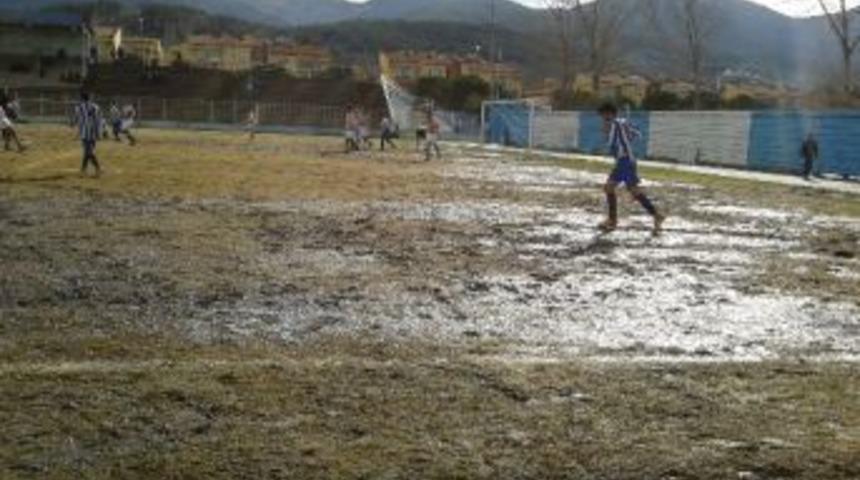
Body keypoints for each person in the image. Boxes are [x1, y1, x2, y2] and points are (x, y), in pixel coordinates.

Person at [597, 102, 665, 236]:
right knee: (624, 189)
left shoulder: (613, 125)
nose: (602, 118)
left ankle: (613, 220)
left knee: (616, 188)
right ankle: (656, 215)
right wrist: (625, 140)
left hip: (625, 161)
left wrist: (609, 134)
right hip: (626, 161)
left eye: (603, 115)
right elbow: (637, 134)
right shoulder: (622, 123)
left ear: (609, 114)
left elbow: (610, 142)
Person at [74, 92, 104, 177]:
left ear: (82, 99)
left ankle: (97, 168)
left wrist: (77, 130)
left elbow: (77, 119)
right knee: (87, 152)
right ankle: (83, 169)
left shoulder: (80, 107)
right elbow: (99, 120)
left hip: (85, 133)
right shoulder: (96, 106)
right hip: (93, 133)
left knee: (88, 152)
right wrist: (99, 132)